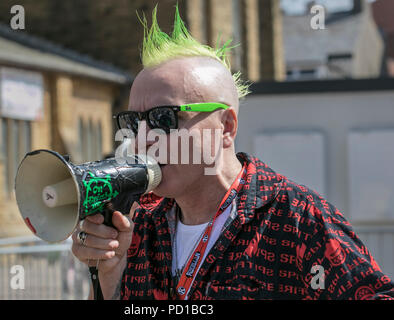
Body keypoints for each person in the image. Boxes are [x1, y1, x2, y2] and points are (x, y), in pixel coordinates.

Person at [71, 6, 394, 300]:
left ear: (226, 126)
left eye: (163, 118)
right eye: (134, 121)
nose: (142, 137)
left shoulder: (296, 217)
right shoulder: (138, 222)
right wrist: (109, 277)